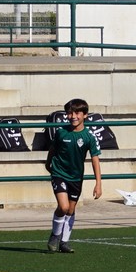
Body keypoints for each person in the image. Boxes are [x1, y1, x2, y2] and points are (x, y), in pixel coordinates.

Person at [45, 98, 103, 253]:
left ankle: (64, 242)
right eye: (69, 113)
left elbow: (95, 159)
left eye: (77, 113)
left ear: (85, 115)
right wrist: (48, 164)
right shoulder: (61, 132)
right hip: (59, 173)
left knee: (70, 210)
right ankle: (54, 236)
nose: (73, 116)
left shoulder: (89, 137)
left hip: (76, 177)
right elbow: (53, 149)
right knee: (63, 207)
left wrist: (98, 183)